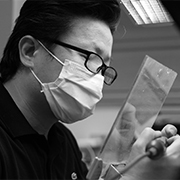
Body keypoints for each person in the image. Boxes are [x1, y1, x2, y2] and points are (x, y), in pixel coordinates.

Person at [0, 0, 180, 179]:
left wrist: (125, 167)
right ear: (30, 51)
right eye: (88, 57)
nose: (97, 81)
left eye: (102, 69)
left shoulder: (63, 141)